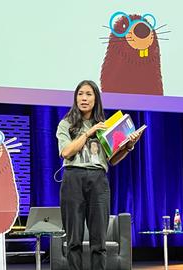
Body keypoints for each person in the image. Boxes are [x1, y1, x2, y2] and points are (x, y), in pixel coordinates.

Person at [56, 80, 141, 270]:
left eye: (88, 94)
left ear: (96, 99)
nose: (84, 98)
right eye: (80, 94)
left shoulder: (106, 126)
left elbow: (112, 159)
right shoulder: (66, 124)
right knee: (73, 240)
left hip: (98, 180)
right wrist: (88, 133)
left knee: (99, 242)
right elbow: (66, 152)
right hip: (73, 179)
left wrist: (129, 146)